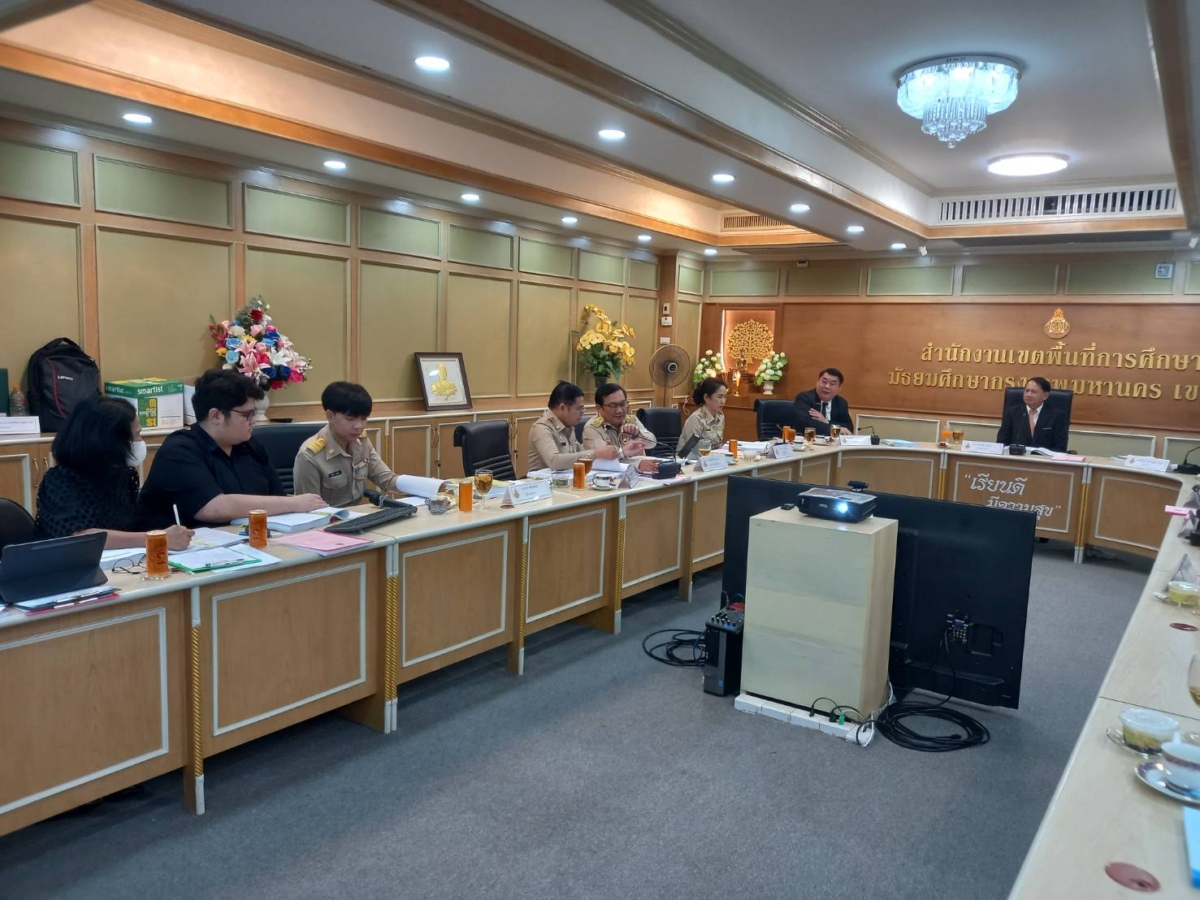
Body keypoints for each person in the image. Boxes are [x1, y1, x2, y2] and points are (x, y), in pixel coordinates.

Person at [140, 368, 325, 528]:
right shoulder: (178, 451)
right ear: (216, 416)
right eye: (247, 415)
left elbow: (277, 498)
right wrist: (294, 503)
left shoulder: (252, 447)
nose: (253, 421)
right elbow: (213, 507)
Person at [34, 395, 194, 550]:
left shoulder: (123, 474)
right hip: (68, 563)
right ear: (111, 442)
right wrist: (156, 537)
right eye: (136, 436)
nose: (140, 442)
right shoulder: (61, 480)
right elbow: (80, 536)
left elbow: (130, 526)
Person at [294, 382, 404, 507]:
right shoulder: (309, 456)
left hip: (357, 515)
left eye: (363, 418)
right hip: (328, 517)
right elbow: (309, 509)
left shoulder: (362, 441)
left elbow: (386, 479)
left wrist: (420, 485)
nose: (359, 426)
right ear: (330, 416)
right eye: (350, 419)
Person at [527, 381, 620, 471]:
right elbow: (554, 461)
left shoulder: (568, 426)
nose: (583, 412)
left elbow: (582, 454)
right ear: (562, 407)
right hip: (542, 481)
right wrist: (595, 453)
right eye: (580, 409)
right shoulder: (541, 428)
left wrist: (614, 452)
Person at [581, 383, 660, 473]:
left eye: (623, 404)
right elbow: (603, 460)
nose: (619, 410)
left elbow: (652, 443)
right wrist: (637, 464)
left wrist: (637, 433)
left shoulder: (631, 420)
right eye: (613, 405)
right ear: (599, 407)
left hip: (639, 475)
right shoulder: (592, 428)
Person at [997, 376, 1068, 452]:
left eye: (1033, 392)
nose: (1028, 394)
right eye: (1027, 391)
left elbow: (1060, 447)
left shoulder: (1057, 415)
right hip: (1016, 457)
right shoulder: (1012, 412)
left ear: (1045, 396)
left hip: (1045, 458)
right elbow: (1002, 442)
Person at [793, 367, 853, 436]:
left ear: (839, 388)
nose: (827, 386)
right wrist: (835, 429)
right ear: (817, 382)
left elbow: (849, 427)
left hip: (832, 442)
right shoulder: (804, 398)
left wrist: (826, 421)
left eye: (832, 384)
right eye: (824, 382)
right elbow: (806, 423)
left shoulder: (841, 403)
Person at [679, 378, 727, 449]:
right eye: (719, 397)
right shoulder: (696, 419)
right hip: (692, 455)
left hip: (712, 455)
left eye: (725, 397)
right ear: (706, 397)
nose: (723, 401)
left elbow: (718, 445)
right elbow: (692, 450)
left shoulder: (720, 416)